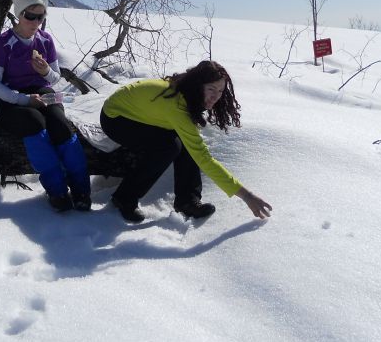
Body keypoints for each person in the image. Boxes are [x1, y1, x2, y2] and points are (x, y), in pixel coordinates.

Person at [99, 60, 272, 223]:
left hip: (144, 115)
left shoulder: (187, 93)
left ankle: (187, 202)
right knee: (168, 148)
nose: (216, 96)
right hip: (116, 118)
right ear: (198, 85)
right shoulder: (176, 105)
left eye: (220, 91)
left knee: (185, 143)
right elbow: (203, 158)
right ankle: (124, 198)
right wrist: (247, 196)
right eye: (211, 89)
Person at [0, 0, 92, 212]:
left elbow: (54, 79)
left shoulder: (45, 40)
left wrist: (44, 71)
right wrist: (24, 100)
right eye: (29, 16)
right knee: (35, 124)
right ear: (19, 13)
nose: (35, 22)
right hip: (11, 97)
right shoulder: (3, 42)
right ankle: (57, 191)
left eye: (40, 16)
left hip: (44, 91)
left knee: (62, 126)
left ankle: (82, 189)